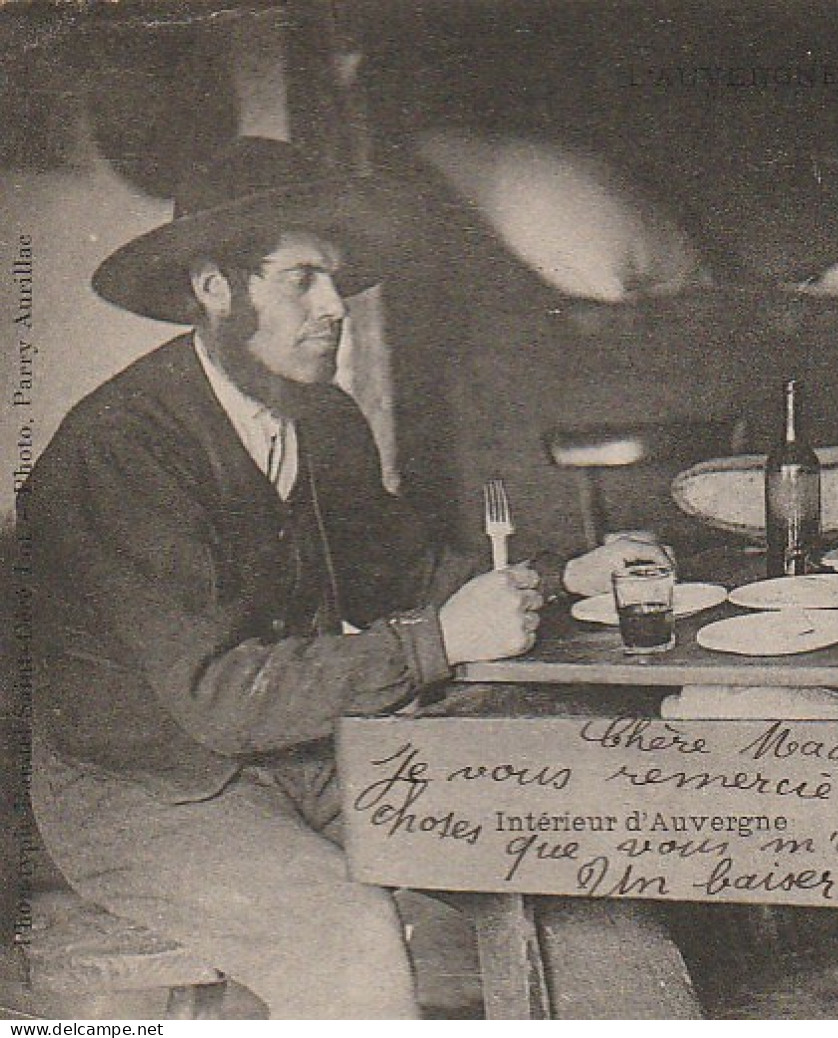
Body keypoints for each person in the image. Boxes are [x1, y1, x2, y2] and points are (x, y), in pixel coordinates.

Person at [20, 137, 664, 1018]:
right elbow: (222, 698)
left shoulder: (320, 419)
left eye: (336, 281)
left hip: (294, 756)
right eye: (301, 281)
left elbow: (402, 573)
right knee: (349, 932)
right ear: (214, 287)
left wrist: (566, 580)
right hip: (145, 792)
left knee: (541, 855)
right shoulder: (123, 449)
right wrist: (438, 642)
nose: (336, 308)